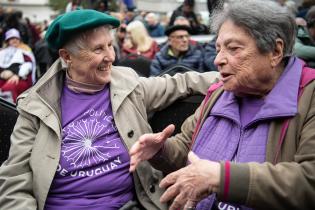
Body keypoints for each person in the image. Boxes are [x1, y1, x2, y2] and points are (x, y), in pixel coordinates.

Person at [0, 9, 219, 210]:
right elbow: (14, 181)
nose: (111, 57)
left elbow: (181, 83)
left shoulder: (128, 85)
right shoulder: (36, 106)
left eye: (110, 45)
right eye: (98, 49)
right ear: (67, 57)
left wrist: (231, 78)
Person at [129, 0, 315, 209]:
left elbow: (309, 179)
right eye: (218, 49)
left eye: (233, 48)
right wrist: (161, 150)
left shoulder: (309, 96)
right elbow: (186, 150)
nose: (218, 60)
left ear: (275, 51)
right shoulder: (219, 93)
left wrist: (222, 178)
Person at [0, 28, 36, 103]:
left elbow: (28, 65)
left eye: (16, 38)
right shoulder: (2, 52)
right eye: (11, 38)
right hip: (3, 77)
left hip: (20, 78)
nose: (14, 40)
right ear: (7, 41)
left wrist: (17, 75)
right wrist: (2, 74)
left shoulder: (25, 51)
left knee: (8, 88)